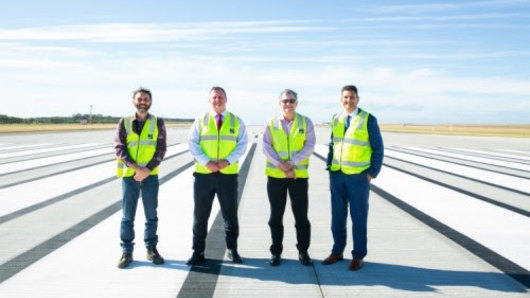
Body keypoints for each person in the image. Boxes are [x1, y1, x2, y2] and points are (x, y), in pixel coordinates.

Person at [323, 85, 384, 271]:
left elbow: (378, 148)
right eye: (345, 97)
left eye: (351, 97)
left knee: (358, 218)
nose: (348, 101)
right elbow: (333, 144)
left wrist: (372, 172)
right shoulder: (337, 118)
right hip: (338, 176)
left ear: (357, 99)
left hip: (358, 178)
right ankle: (337, 251)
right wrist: (330, 166)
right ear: (341, 99)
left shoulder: (367, 119)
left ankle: (358, 255)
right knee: (337, 218)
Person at [187, 86, 248, 265]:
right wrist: (207, 162)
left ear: (226, 99)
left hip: (227, 175)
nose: (217, 100)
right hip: (204, 175)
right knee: (200, 215)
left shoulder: (236, 121)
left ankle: (232, 249)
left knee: (230, 215)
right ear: (209, 100)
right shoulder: (200, 121)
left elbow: (242, 144)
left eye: (220, 97)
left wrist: (226, 161)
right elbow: (192, 143)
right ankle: (197, 252)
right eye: (214, 97)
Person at [115, 87, 167, 269]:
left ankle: (151, 249)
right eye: (139, 99)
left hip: (150, 177)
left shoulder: (158, 123)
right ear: (134, 102)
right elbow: (120, 148)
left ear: (150, 102)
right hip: (130, 176)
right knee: (127, 216)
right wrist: (137, 169)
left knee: (151, 215)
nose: (142, 102)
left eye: (145, 99)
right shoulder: (124, 122)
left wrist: (147, 170)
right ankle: (126, 251)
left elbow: (161, 149)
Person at [262, 89, 315, 267]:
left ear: (297, 103)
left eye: (291, 101)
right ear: (280, 103)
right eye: (285, 101)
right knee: (276, 217)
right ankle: (276, 252)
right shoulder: (270, 123)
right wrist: (280, 165)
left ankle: (303, 251)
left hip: (298, 178)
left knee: (301, 217)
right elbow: (266, 147)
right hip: (276, 177)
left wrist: (290, 163)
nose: (288, 104)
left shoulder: (305, 122)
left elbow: (309, 146)